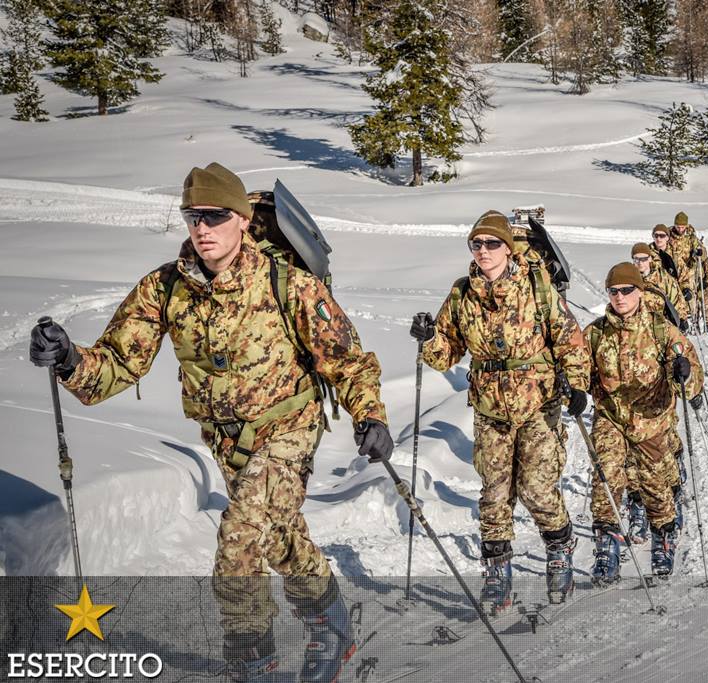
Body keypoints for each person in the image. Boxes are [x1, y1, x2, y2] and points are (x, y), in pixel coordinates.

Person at [28, 163, 392, 683]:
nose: (202, 227)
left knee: (239, 543)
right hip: (228, 443)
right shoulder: (164, 288)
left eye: (215, 216)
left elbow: (348, 360)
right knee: (279, 536)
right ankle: (331, 625)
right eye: (192, 216)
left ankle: (253, 665)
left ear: (242, 220)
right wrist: (67, 359)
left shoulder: (287, 284)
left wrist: (370, 415)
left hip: (288, 430)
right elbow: (115, 365)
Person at [409, 210, 590, 610]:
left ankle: (559, 548)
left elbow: (570, 341)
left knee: (536, 488)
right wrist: (428, 338)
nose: (483, 250)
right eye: (476, 243)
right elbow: (445, 354)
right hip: (491, 409)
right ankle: (497, 569)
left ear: (508, 248)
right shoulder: (461, 294)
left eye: (492, 243)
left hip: (539, 406)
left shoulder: (536, 286)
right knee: (494, 492)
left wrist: (576, 385)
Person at [584, 263, 703, 582]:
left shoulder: (662, 330)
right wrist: (572, 386)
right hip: (611, 417)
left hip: (651, 420)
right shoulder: (595, 333)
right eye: (613, 291)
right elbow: (577, 370)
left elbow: (692, 377)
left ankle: (664, 534)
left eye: (626, 290)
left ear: (639, 291)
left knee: (654, 484)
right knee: (606, 476)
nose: (620, 297)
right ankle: (606, 545)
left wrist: (683, 373)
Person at [632, 242, 687, 321]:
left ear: (650, 258)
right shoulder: (628, 278)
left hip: (662, 324)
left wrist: (681, 318)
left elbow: (676, 298)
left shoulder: (663, 276)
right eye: (636, 259)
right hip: (637, 326)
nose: (640, 263)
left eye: (644, 259)